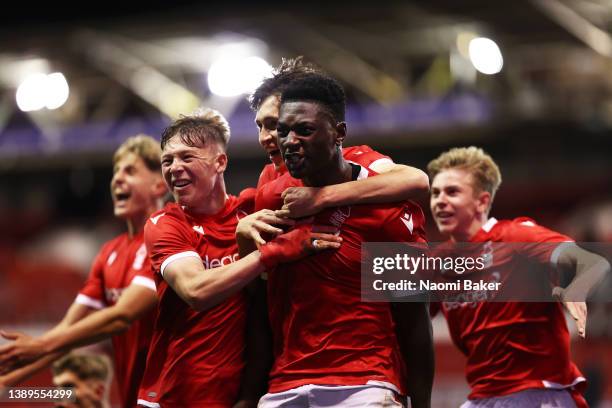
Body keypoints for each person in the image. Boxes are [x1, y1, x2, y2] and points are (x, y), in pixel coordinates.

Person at [245, 73, 434, 408]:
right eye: (280, 129)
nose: (280, 139)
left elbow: (414, 322)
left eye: (300, 129)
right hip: (284, 384)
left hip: (364, 385)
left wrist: (420, 404)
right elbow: (261, 307)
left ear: (339, 134)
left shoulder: (384, 205)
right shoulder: (270, 196)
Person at [136, 108, 341, 408]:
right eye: (167, 161)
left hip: (239, 396)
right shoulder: (165, 224)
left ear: (220, 162)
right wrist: (274, 251)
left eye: (186, 157)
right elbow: (196, 290)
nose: (173, 168)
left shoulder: (250, 209)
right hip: (172, 395)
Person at [427, 146, 610, 408]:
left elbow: (591, 261)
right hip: (483, 397)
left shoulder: (516, 237)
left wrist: (576, 289)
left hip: (539, 393)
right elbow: (409, 318)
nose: (439, 201)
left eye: (452, 192)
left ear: (482, 201)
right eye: (435, 193)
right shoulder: (438, 264)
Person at [0, 135, 167, 407]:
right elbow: (69, 330)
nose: (118, 180)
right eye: (116, 173)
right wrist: (10, 381)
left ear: (159, 185)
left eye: (130, 171)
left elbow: (121, 316)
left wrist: (40, 346)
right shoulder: (109, 253)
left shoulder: (168, 237)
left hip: (175, 394)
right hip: (132, 395)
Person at [248, 57, 429, 217]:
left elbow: (416, 179)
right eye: (260, 126)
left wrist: (321, 197)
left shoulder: (356, 159)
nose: (263, 138)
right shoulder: (270, 176)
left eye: (273, 124)